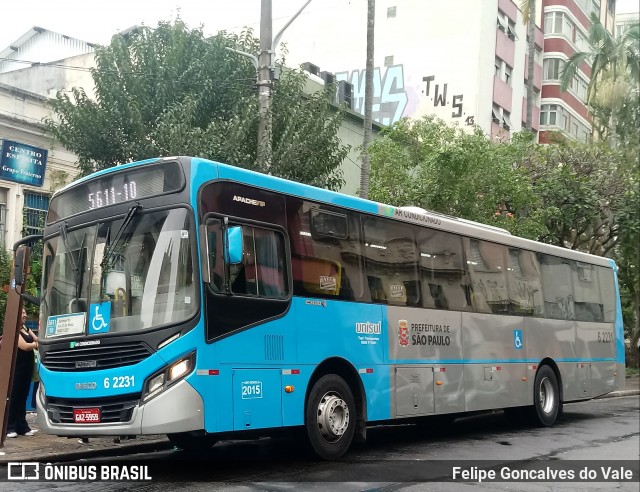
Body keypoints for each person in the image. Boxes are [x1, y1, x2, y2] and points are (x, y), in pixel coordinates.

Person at [6, 308, 39, 438]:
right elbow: (24, 346)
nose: (25, 315)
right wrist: (35, 344)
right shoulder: (13, 329)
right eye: (22, 313)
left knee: (22, 397)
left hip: (27, 367)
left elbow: (37, 339)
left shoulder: (25, 328)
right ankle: (9, 427)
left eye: (25, 312)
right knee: (14, 397)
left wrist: (36, 343)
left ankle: (22, 427)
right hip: (17, 368)